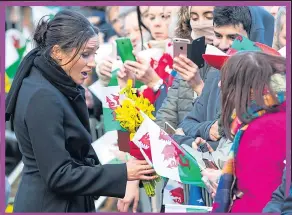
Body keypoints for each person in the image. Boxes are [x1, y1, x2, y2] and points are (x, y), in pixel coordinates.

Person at [5, 10, 157, 213]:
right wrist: (124, 172)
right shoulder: (42, 95)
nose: (92, 62)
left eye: (94, 54)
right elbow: (58, 175)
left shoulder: (49, 81)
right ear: (57, 52)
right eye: (85, 54)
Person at [213, 51, 286, 213]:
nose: (219, 85)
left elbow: (261, 196)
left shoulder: (261, 130)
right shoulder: (279, 113)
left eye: (227, 82)